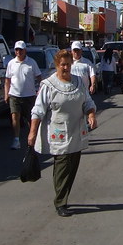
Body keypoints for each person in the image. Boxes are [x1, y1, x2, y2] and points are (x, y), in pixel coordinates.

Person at [28, 49, 97, 217]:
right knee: (62, 166)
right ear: (57, 65)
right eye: (62, 65)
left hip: (76, 131)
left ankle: (63, 195)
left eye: (68, 64)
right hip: (58, 133)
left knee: (72, 166)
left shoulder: (78, 82)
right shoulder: (48, 85)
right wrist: (32, 132)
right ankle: (60, 202)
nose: (66, 68)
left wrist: (91, 115)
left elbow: (87, 101)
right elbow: (38, 110)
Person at [4, 40, 42, 151]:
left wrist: (39, 91)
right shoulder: (11, 63)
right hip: (14, 95)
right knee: (15, 116)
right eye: (17, 50)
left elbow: (39, 77)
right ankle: (16, 139)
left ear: (25, 50)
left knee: (31, 118)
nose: (18, 52)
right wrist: (6, 94)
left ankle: (33, 139)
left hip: (29, 95)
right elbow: (7, 80)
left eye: (20, 50)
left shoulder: (32, 63)